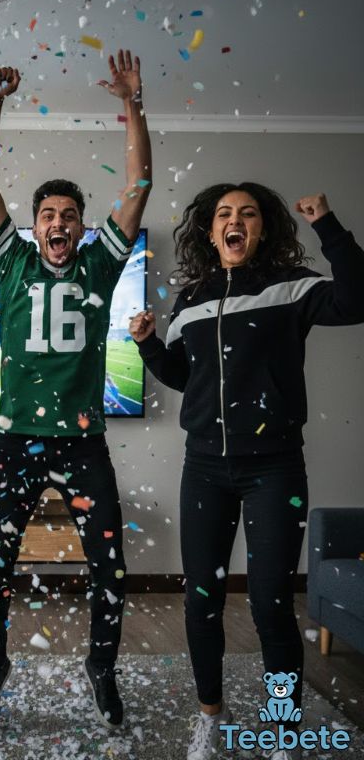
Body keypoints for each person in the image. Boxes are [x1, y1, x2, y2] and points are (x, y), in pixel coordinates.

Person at [129, 185, 364, 760]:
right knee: (201, 601)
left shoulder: (289, 287)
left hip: (274, 470)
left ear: (263, 229)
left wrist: (328, 226)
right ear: (210, 232)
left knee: (268, 604)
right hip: (204, 468)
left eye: (248, 214)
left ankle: (284, 726)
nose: (235, 222)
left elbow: (359, 299)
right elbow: (189, 379)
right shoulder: (192, 299)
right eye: (224, 215)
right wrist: (150, 346)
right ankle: (211, 715)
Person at [0, 50, 152, 728]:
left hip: (82, 445)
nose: (57, 224)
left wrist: (133, 102)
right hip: (17, 444)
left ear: (80, 224)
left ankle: (101, 670)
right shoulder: (13, 262)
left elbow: (139, 186)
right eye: (47, 214)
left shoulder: (101, 266)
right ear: (36, 224)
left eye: (68, 214)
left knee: (110, 566)